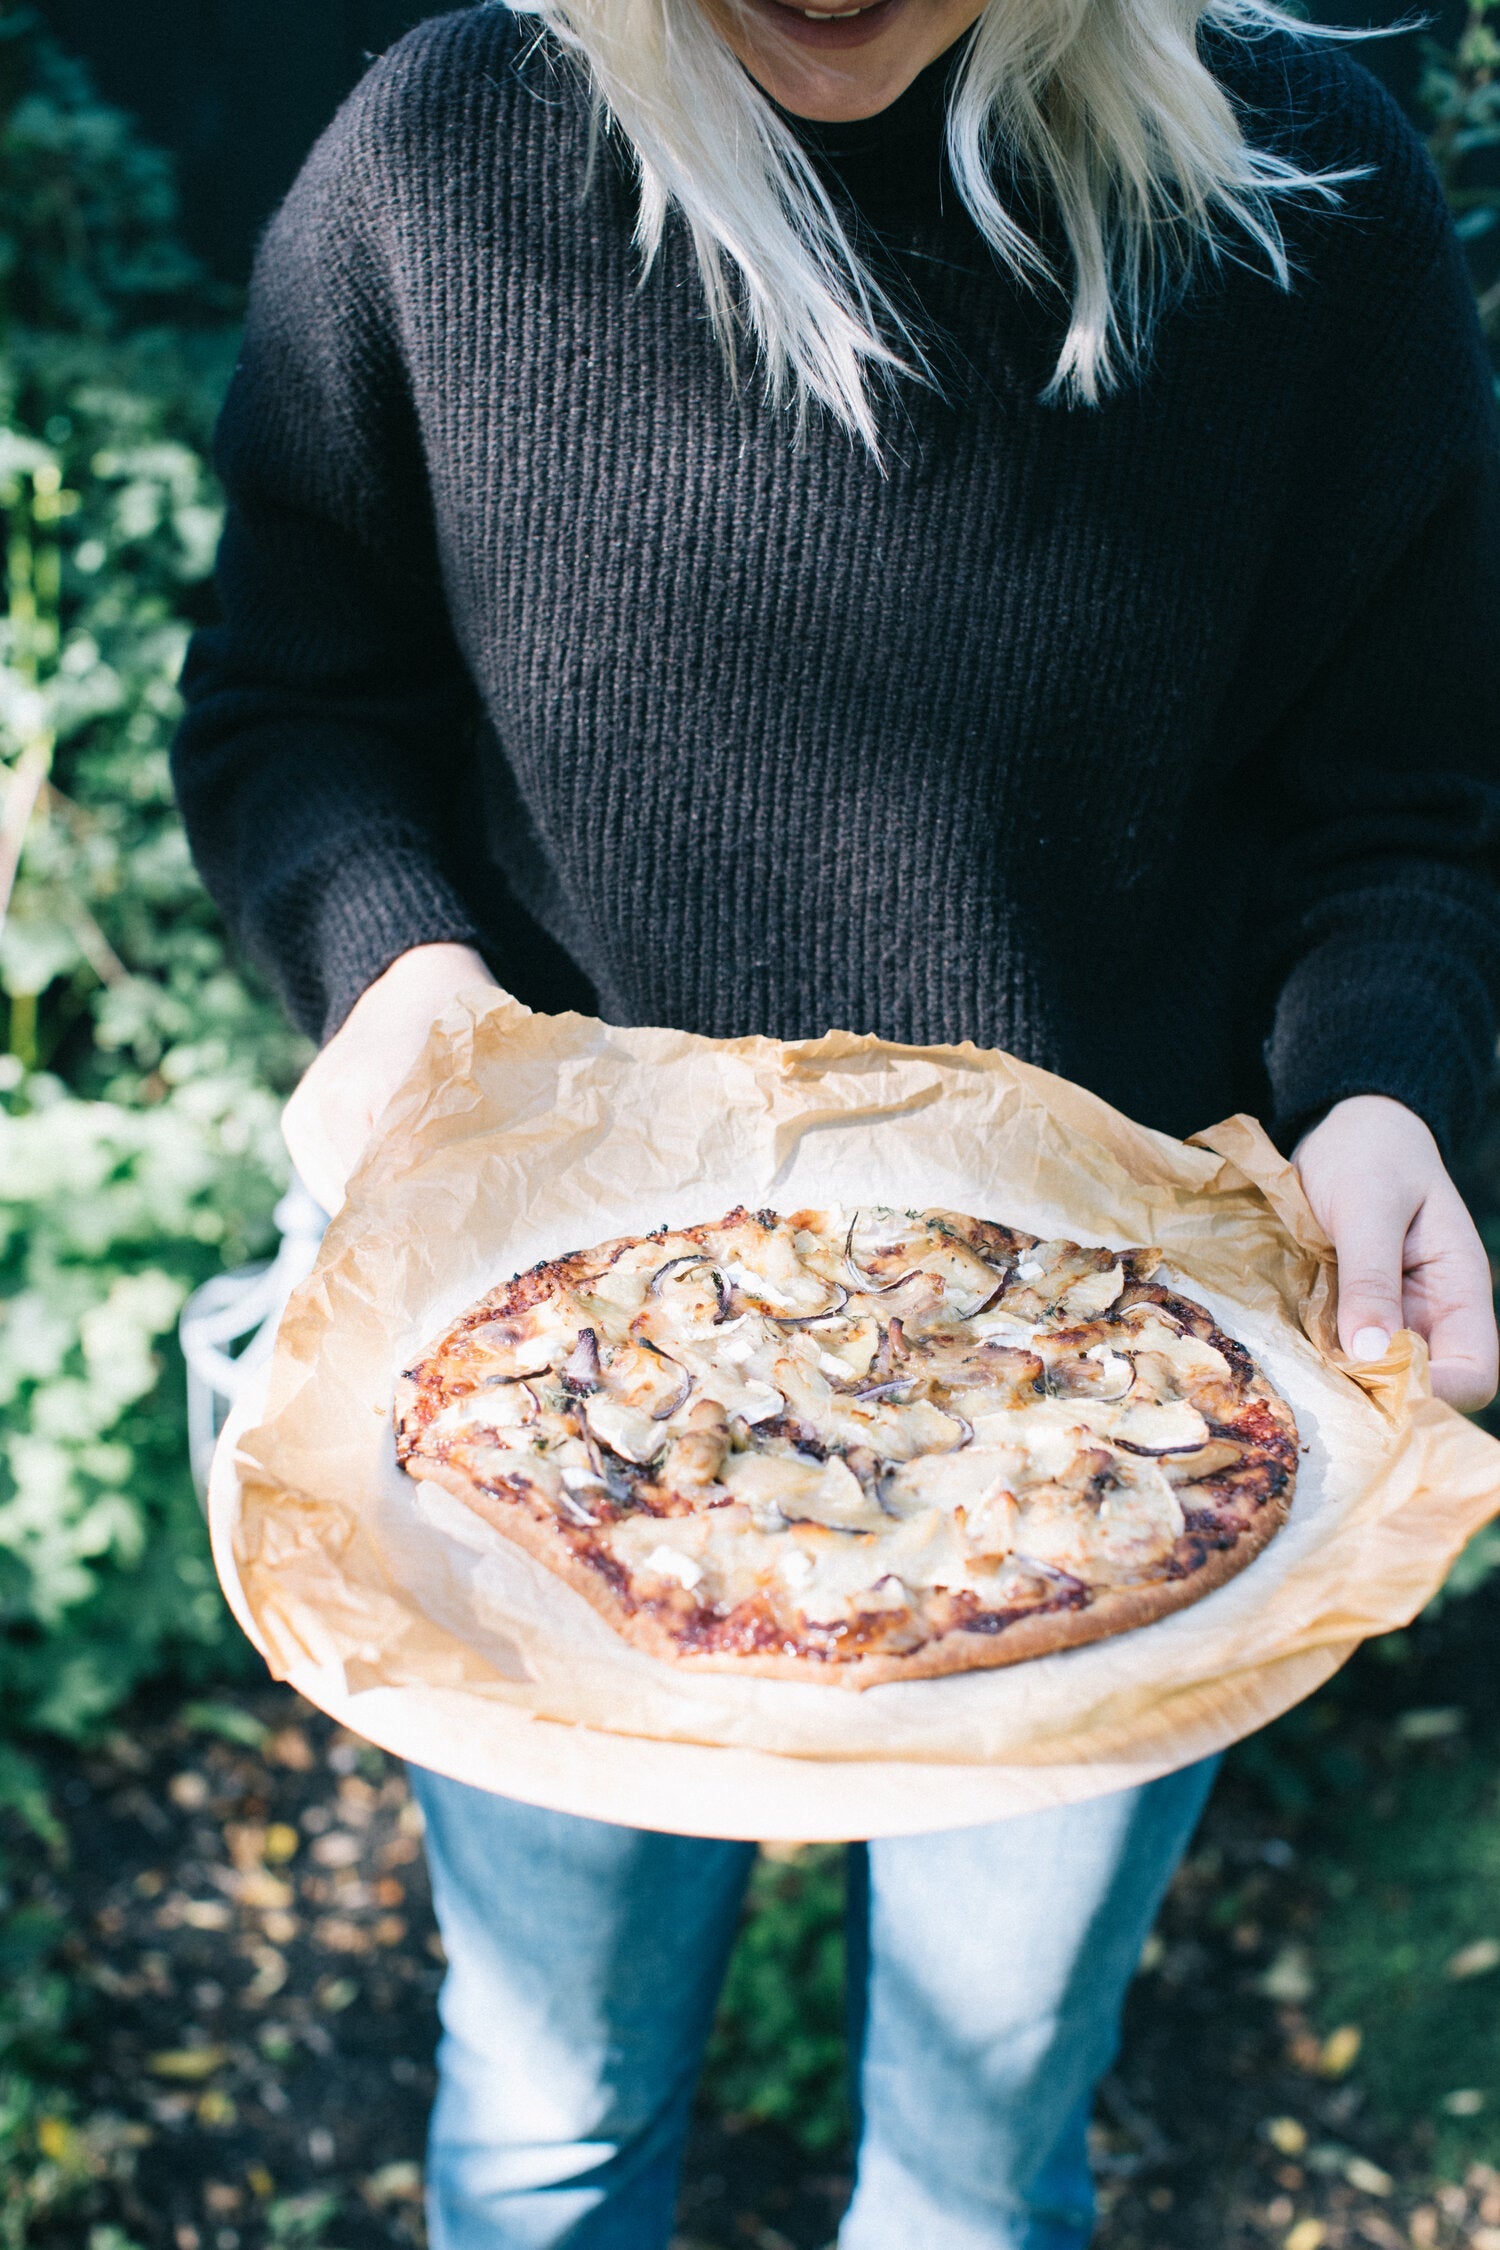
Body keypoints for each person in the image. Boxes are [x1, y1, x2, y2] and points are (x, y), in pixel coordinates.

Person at [171, 0, 1500, 2234]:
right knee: (547, 2120)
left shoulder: (1307, 191)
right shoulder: (452, 149)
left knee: (982, 2167)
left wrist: (1382, 1086)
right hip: (558, 1394)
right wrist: (398, 974)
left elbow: (1410, 802)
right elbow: (298, 699)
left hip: (1115, 1413)